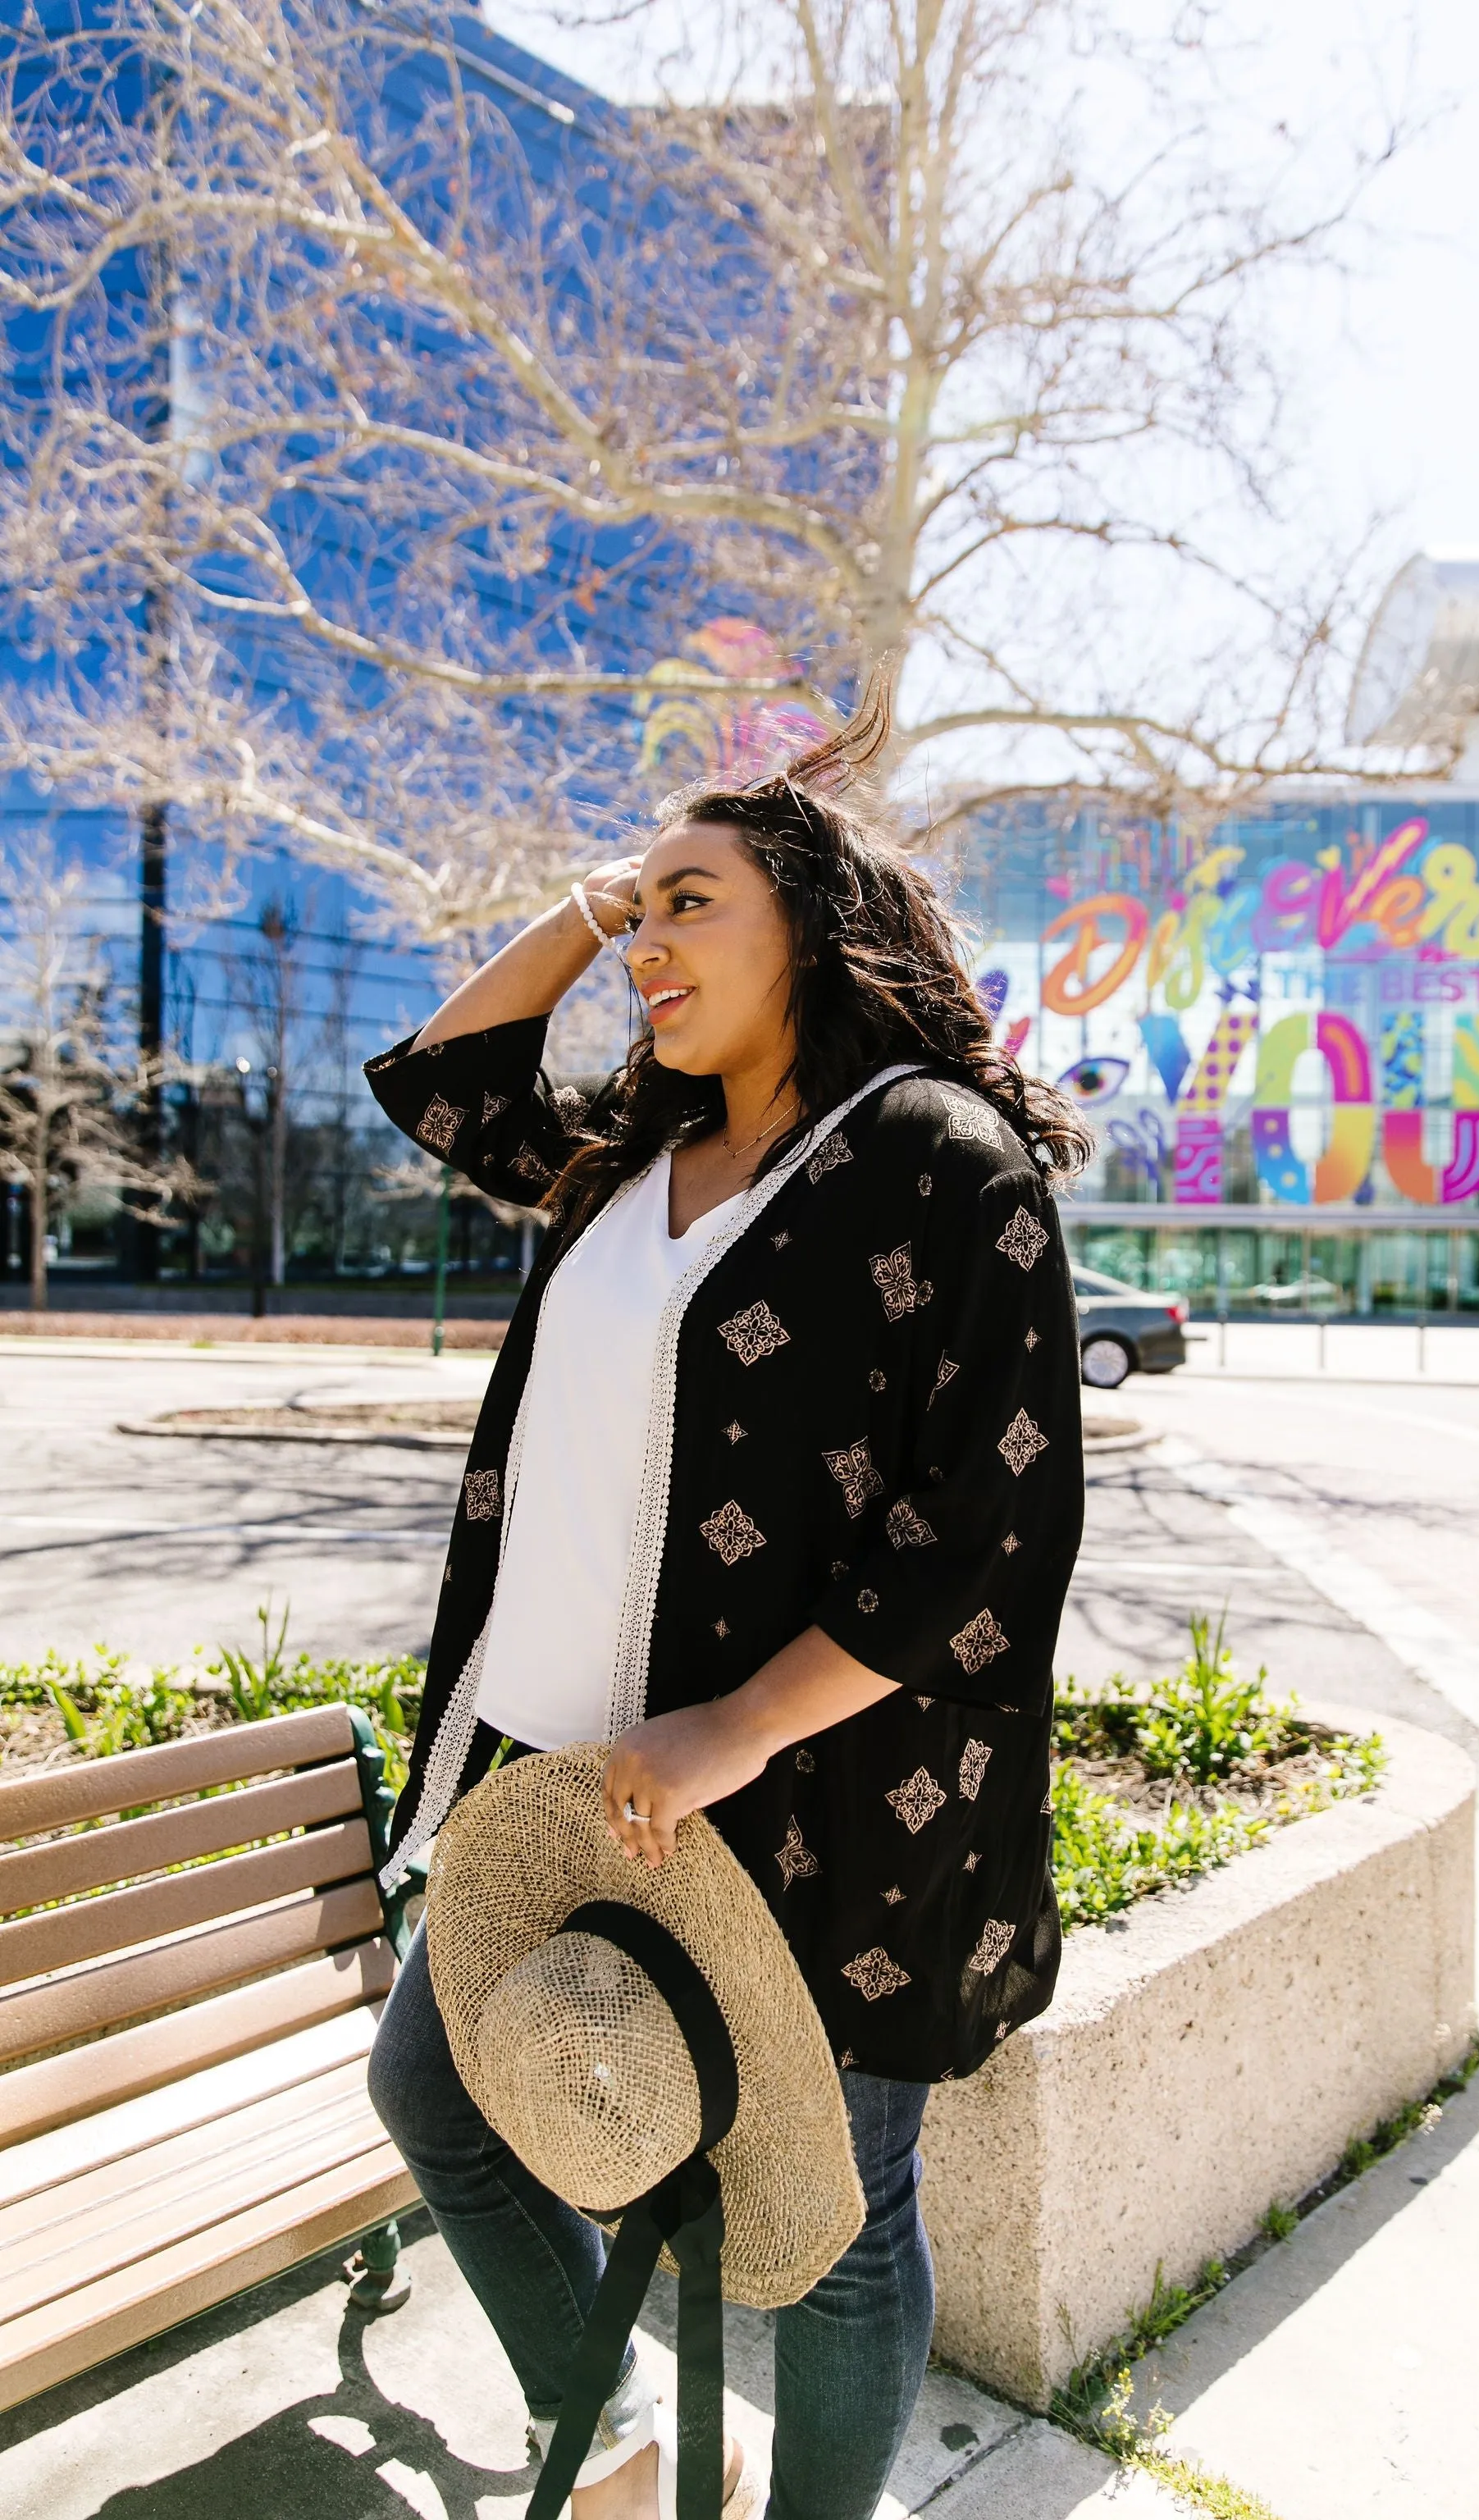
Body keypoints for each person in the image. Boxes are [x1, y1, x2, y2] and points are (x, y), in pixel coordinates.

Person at [364, 690, 1091, 2520]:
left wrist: (740, 1724)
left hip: (807, 1787)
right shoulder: (625, 1150)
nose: (649, 948)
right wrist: (604, 899)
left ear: (818, 928)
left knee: (839, 2222)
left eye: (698, 903)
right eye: (647, 916)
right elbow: (448, 1077)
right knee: (438, 2097)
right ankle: (606, 2444)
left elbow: (991, 1518)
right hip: (543, 1763)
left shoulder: (937, 1158)